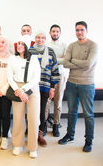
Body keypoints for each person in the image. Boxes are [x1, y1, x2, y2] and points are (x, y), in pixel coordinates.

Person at [59, 21, 98, 153]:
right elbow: (65, 63)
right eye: (77, 30)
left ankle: (89, 140)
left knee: (88, 114)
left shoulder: (93, 45)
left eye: (81, 30)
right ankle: (70, 135)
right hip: (71, 83)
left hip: (87, 85)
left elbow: (88, 64)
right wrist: (75, 62)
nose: (79, 32)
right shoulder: (71, 45)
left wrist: (73, 61)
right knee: (71, 112)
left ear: (86, 31)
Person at [7, 41, 41, 158]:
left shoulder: (34, 59)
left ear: (27, 46)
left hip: (32, 87)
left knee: (33, 118)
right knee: (18, 117)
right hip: (17, 87)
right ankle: (17, 145)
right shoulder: (12, 58)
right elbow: (10, 77)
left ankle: (32, 147)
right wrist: (19, 90)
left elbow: (37, 77)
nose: (20, 46)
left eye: (22, 44)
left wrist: (24, 89)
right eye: (18, 44)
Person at [29, 32, 59, 147]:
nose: (40, 39)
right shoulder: (30, 51)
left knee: (42, 111)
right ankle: (31, 132)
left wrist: (52, 87)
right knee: (31, 111)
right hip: (32, 86)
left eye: (42, 38)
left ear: (45, 39)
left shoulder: (50, 51)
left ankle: (40, 134)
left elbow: (55, 70)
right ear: (35, 39)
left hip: (45, 86)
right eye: (37, 37)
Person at [45, 24, 69, 137]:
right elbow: (45, 61)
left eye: (57, 31)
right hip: (48, 76)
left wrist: (54, 60)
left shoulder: (64, 45)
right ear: (50, 33)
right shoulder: (46, 45)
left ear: (60, 33)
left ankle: (56, 124)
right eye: (53, 31)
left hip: (60, 75)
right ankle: (44, 125)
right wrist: (59, 59)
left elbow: (66, 60)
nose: (55, 33)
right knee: (46, 102)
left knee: (58, 102)